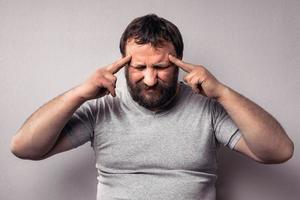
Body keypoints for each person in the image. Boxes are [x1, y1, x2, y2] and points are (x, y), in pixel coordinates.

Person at [10, 14, 294, 200]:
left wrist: (221, 92)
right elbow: (24, 148)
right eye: (138, 66)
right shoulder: (102, 108)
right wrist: (80, 94)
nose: (149, 79)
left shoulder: (207, 107)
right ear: (122, 64)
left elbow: (279, 152)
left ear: (179, 63)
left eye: (160, 66)